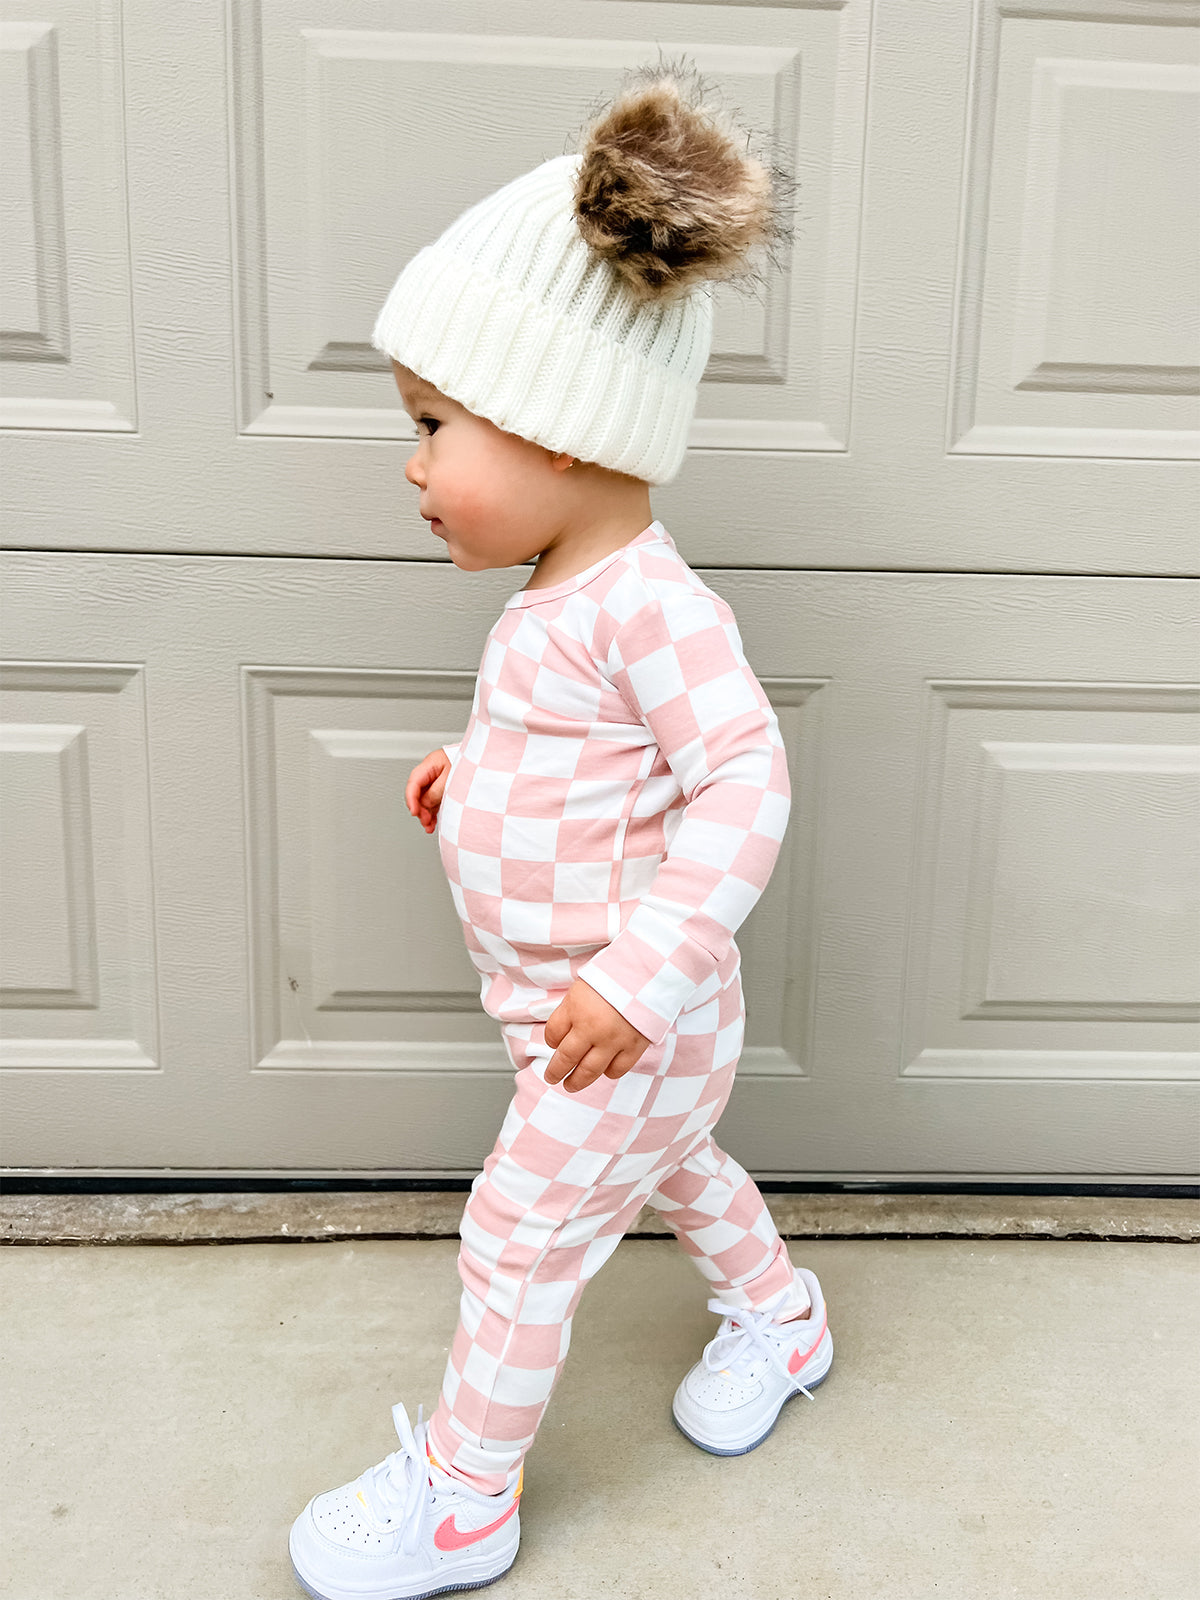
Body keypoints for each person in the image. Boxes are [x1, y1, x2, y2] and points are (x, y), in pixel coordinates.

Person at [289, 59, 834, 1600]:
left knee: (521, 1234)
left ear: (564, 430)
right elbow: (572, 750)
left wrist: (642, 974)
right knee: (677, 1166)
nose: (413, 463)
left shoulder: (657, 606)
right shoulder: (557, 596)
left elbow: (742, 786)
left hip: (627, 1016)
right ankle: (782, 1320)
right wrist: (474, 774)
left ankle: (465, 1497)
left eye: (434, 423)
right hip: (569, 1017)